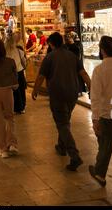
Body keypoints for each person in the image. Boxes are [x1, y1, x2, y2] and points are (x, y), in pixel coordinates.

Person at [32, 32, 91, 171]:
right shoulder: (72, 56)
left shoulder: (50, 57)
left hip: (57, 94)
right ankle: (61, 146)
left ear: (51, 44)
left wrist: (35, 89)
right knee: (65, 119)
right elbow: (83, 73)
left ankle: (74, 155)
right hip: (72, 93)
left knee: (62, 123)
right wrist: (91, 86)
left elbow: (41, 76)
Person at [89, 36, 112, 187]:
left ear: (102, 50)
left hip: (108, 116)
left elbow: (95, 97)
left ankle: (100, 174)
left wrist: (95, 119)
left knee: (105, 147)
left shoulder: (100, 70)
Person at [5, 34, 27, 114]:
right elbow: (24, 61)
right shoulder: (19, 51)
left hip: (10, 73)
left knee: (13, 91)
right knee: (21, 89)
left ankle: (15, 107)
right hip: (19, 71)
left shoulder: (5, 52)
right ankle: (22, 107)